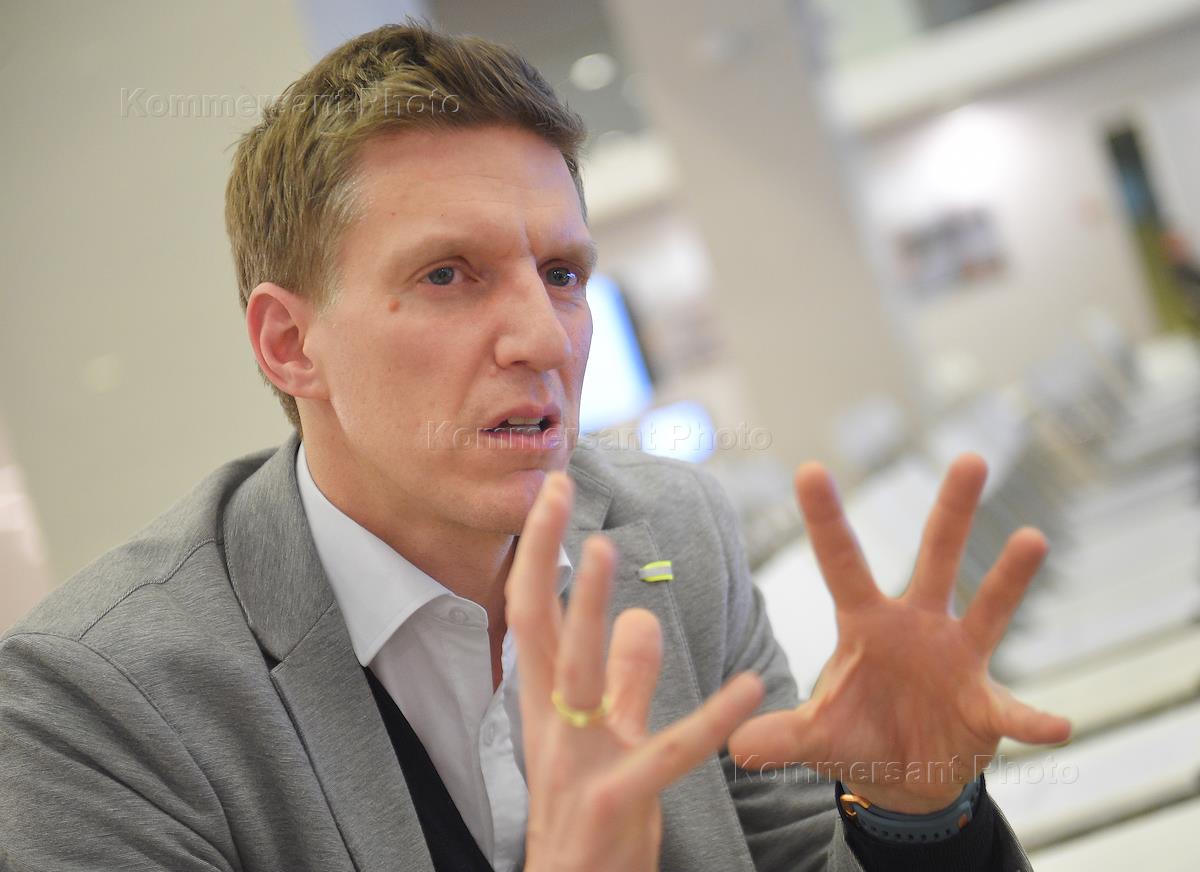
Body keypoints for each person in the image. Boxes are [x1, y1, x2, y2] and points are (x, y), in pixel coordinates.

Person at [0, 22, 1069, 872]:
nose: (545, 338)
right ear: (290, 343)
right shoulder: (99, 704)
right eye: (447, 275)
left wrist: (913, 815)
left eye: (561, 274)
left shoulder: (671, 532)